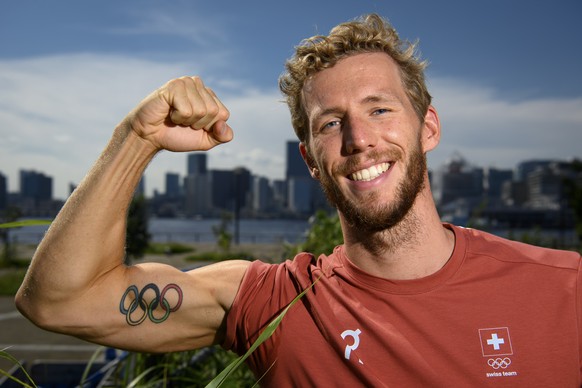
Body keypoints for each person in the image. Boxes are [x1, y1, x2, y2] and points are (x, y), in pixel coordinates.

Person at [15, 14, 581, 387]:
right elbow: (59, 302)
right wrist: (135, 139)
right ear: (311, 160)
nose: (359, 140)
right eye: (332, 123)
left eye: (380, 110)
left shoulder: (564, 288)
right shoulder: (275, 303)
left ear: (427, 127)